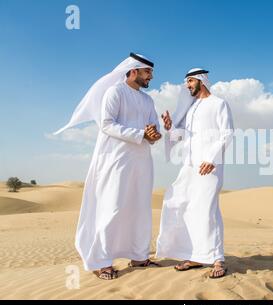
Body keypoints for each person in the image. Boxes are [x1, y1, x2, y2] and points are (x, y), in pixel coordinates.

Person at [54, 53, 162, 280]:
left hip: (142, 160)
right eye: (148, 72)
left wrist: (153, 135)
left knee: (140, 207)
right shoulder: (115, 92)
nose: (151, 76)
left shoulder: (148, 100)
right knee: (113, 207)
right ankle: (102, 261)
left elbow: (153, 131)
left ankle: (139, 256)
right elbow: (106, 124)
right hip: (116, 159)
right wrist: (141, 133)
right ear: (134, 71)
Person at [156, 68, 234, 279]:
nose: (187, 85)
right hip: (189, 166)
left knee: (208, 210)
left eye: (190, 81)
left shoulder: (219, 104)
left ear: (202, 80)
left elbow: (227, 133)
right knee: (185, 207)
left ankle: (218, 259)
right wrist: (170, 128)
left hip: (210, 166)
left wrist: (212, 158)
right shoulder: (191, 109)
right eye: (186, 82)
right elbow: (182, 137)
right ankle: (196, 255)